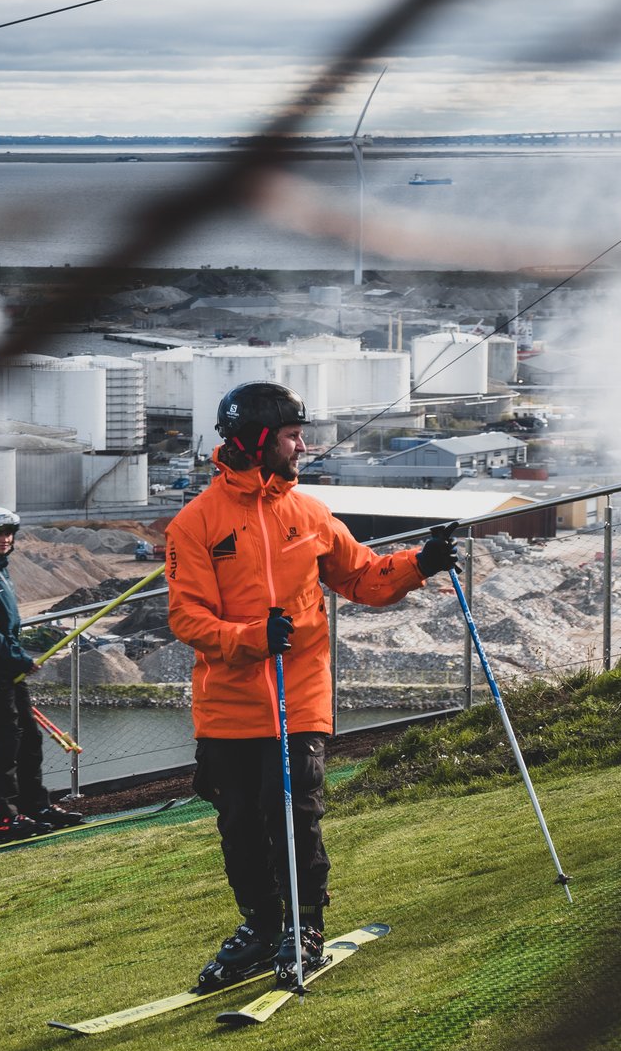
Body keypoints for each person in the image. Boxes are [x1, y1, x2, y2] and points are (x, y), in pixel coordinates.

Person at [165, 382, 461, 991]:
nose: (304, 446)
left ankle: (306, 927)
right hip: (227, 705)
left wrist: (419, 563)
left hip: (297, 699)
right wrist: (251, 637)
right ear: (255, 441)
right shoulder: (194, 524)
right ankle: (260, 927)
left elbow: (363, 579)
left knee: (295, 815)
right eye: (293, 436)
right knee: (239, 824)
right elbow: (185, 617)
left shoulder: (310, 514)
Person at [0, 506, 82, 847]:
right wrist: (20, 659)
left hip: (6, 666)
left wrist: (16, 660)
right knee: (7, 739)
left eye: (10, 534)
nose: (5, 539)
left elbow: (5, 628)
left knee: (29, 737)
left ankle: (33, 806)